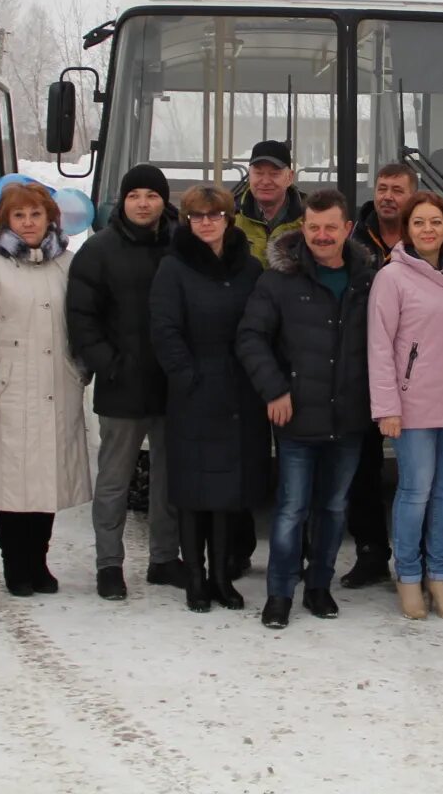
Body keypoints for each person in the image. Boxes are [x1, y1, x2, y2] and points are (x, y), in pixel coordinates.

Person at [238, 189, 376, 628]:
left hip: (350, 416)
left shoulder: (369, 280)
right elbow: (251, 338)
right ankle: (279, 594)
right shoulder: (278, 280)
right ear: (303, 229)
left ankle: (319, 587)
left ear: (347, 229)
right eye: (313, 227)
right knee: (292, 508)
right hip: (297, 416)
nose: (321, 235)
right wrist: (275, 390)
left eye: (330, 227)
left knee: (334, 508)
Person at [0, 180, 92, 597]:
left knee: (46, 482)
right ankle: (15, 564)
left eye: (36, 215)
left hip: (57, 384)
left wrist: (82, 367)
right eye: (19, 216)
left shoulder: (66, 264)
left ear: (50, 218)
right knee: (10, 482)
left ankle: (39, 561)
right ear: (6, 221)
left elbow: (81, 321)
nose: (28, 223)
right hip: (9, 388)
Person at [66, 164, 186, 601]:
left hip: (172, 384)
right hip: (121, 383)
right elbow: (81, 316)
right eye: (134, 195)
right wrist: (107, 362)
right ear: (123, 200)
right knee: (115, 481)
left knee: (169, 479)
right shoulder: (98, 250)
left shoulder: (181, 245)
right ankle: (109, 564)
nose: (142, 203)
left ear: (163, 200)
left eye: (151, 196)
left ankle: (164, 558)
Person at [149, 184, 271, 613]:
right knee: (193, 490)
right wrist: (188, 378)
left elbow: (261, 325)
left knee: (228, 490)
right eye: (197, 216)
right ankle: (196, 579)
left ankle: (222, 576)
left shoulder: (250, 268)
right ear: (186, 221)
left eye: (214, 216)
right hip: (194, 391)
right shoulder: (174, 268)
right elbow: (164, 331)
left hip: (240, 390)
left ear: (228, 219)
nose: (206, 223)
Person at [368, 191, 443, 621]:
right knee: (415, 492)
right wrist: (387, 407)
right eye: (419, 222)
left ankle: (440, 577)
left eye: (435, 222)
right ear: (407, 229)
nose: (428, 229)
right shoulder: (392, 278)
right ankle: (409, 577)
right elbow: (379, 346)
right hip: (413, 406)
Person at [340, 162, 420, 590]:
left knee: (419, 471)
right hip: (363, 371)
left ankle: (418, 556)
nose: (389, 196)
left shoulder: (429, 239)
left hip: (420, 375)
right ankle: (371, 552)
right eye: (383, 188)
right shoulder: (352, 243)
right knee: (362, 468)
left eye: (398, 190)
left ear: (413, 196)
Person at [236, 139, 304, 265]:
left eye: (274, 174)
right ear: (249, 175)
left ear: (290, 177)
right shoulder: (229, 217)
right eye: (258, 173)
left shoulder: (309, 218)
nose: (266, 181)